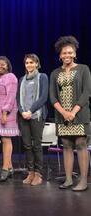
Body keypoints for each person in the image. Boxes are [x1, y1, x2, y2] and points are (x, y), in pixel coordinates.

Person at [50, 36, 91, 191]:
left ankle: (83, 181)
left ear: (75, 54)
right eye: (64, 53)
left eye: (70, 52)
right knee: (66, 145)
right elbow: (52, 96)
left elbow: (87, 92)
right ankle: (68, 180)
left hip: (79, 114)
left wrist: (73, 112)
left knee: (81, 145)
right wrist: (63, 112)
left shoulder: (83, 69)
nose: (67, 55)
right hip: (62, 116)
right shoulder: (55, 73)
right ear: (60, 55)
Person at [16, 54, 48, 186]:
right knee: (27, 145)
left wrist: (31, 111)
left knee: (36, 145)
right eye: (27, 63)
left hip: (36, 115)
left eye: (31, 62)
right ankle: (30, 172)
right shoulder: (22, 79)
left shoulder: (42, 77)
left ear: (37, 64)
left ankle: (38, 173)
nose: (29, 65)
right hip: (23, 116)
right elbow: (18, 98)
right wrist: (23, 111)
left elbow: (43, 97)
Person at [0, 56, 19, 182]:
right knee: (3, 140)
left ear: (8, 66)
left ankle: (5, 169)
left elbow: (11, 96)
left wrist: (4, 113)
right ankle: (10, 168)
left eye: (3, 64)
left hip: (6, 113)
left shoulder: (10, 77)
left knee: (6, 140)